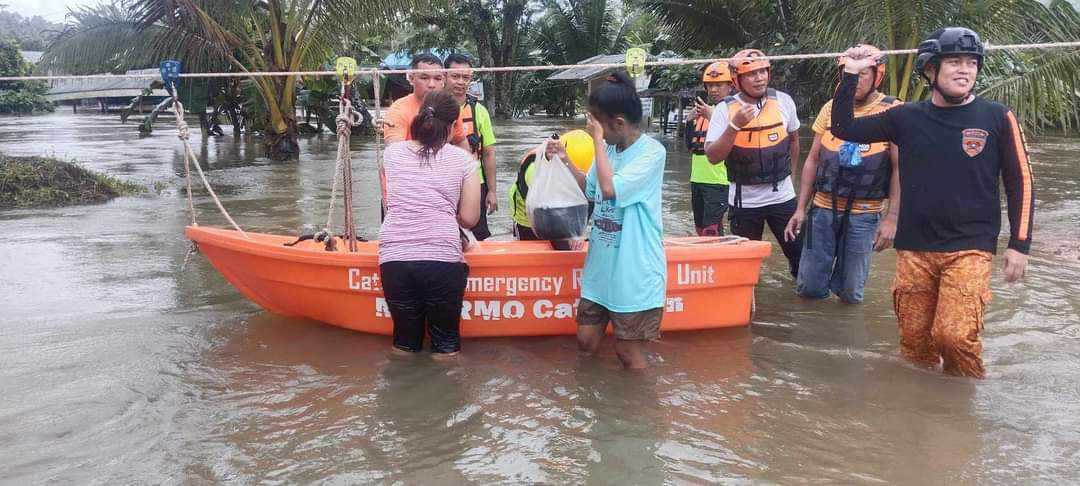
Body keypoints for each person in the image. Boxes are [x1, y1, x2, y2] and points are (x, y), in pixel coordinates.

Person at [833, 28, 1035, 378]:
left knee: (953, 337)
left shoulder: (998, 117)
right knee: (915, 346)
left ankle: (966, 403)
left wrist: (1019, 245)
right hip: (914, 248)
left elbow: (1021, 181)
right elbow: (844, 127)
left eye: (971, 63)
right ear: (930, 70)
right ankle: (924, 416)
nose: (964, 70)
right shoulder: (905, 117)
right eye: (954, 61)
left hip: (970, 247)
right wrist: (852, 73)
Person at [553, 72, 667, 370]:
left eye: (597, 124)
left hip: (633, 271)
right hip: (601, 269)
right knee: (585, 342)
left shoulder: (652, 153)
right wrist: (565, 159)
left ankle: (643, 411)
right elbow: (590, 189)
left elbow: (609, 189)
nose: (593, 132)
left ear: (617, 123)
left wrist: (599, 142)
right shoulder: (610, 150)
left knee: (627, 353)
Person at [783, 45, 902, 304]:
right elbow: (813, 159)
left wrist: (892, 218)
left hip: (865, 213)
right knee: (809, 289)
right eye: (851, 73)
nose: (856, 80)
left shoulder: (893, 111)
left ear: (876, 76)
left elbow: (898, 169)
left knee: (851, 293)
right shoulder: (831, 108)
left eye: (863, 74)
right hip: (822, 210)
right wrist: (800, 209)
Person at [378, 90, 482, 356]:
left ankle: (400, 393)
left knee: (403, 342)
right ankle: (444, 396)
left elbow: (390, 203)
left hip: (394, 257)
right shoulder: (464, 161)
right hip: (441, 257)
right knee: (445, 344)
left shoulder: (392, 155)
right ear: (451, 127)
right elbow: (470, 218)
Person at [704, 49, 803, 277]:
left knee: (801, 259)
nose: (759, 78)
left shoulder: (784, 102)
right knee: (744, 268)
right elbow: (713, 156)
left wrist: (792, 179)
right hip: (744, 201)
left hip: (783, 198)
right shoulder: (724, 110)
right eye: (751, 74)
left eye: (762, 72)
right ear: (737, 80)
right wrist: (734, 126)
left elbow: (794, 141)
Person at [445, 53, 498, 241]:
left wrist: (492, 191)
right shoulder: (433, 106)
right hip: (442, 184)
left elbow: (489, 154)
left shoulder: (479, 111)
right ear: (445, 76)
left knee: (477, 235)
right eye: (455, 76)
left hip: (475, 183)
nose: (460, 82)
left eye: (465, 77)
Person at [508, 130, 594, 241]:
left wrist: (577, 233)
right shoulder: (536, 168)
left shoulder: (588, 168)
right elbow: (544, 209)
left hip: (559, 207)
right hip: (528, 221)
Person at [685, 61, 734, 236]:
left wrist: (711, 116)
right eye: (710, 86)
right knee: (700, 229)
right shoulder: (702, 112)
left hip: (719, 181)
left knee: (711, 230)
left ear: (730, 86)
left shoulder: (734, 109)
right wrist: (689, 122)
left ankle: (720, 262)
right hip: (697, 179)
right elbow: (690, 146)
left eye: (719, 85)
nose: (713, 90)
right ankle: (705, 263)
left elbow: (736, 136)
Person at [382, 52, 469, 149]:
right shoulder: (398, 110)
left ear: (443, 80)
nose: (431, 84)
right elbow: (393, 152)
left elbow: (461, 141)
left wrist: (466, 162)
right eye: (424, 78)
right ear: (411, 78)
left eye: (437, 78)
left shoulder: (448, 106)